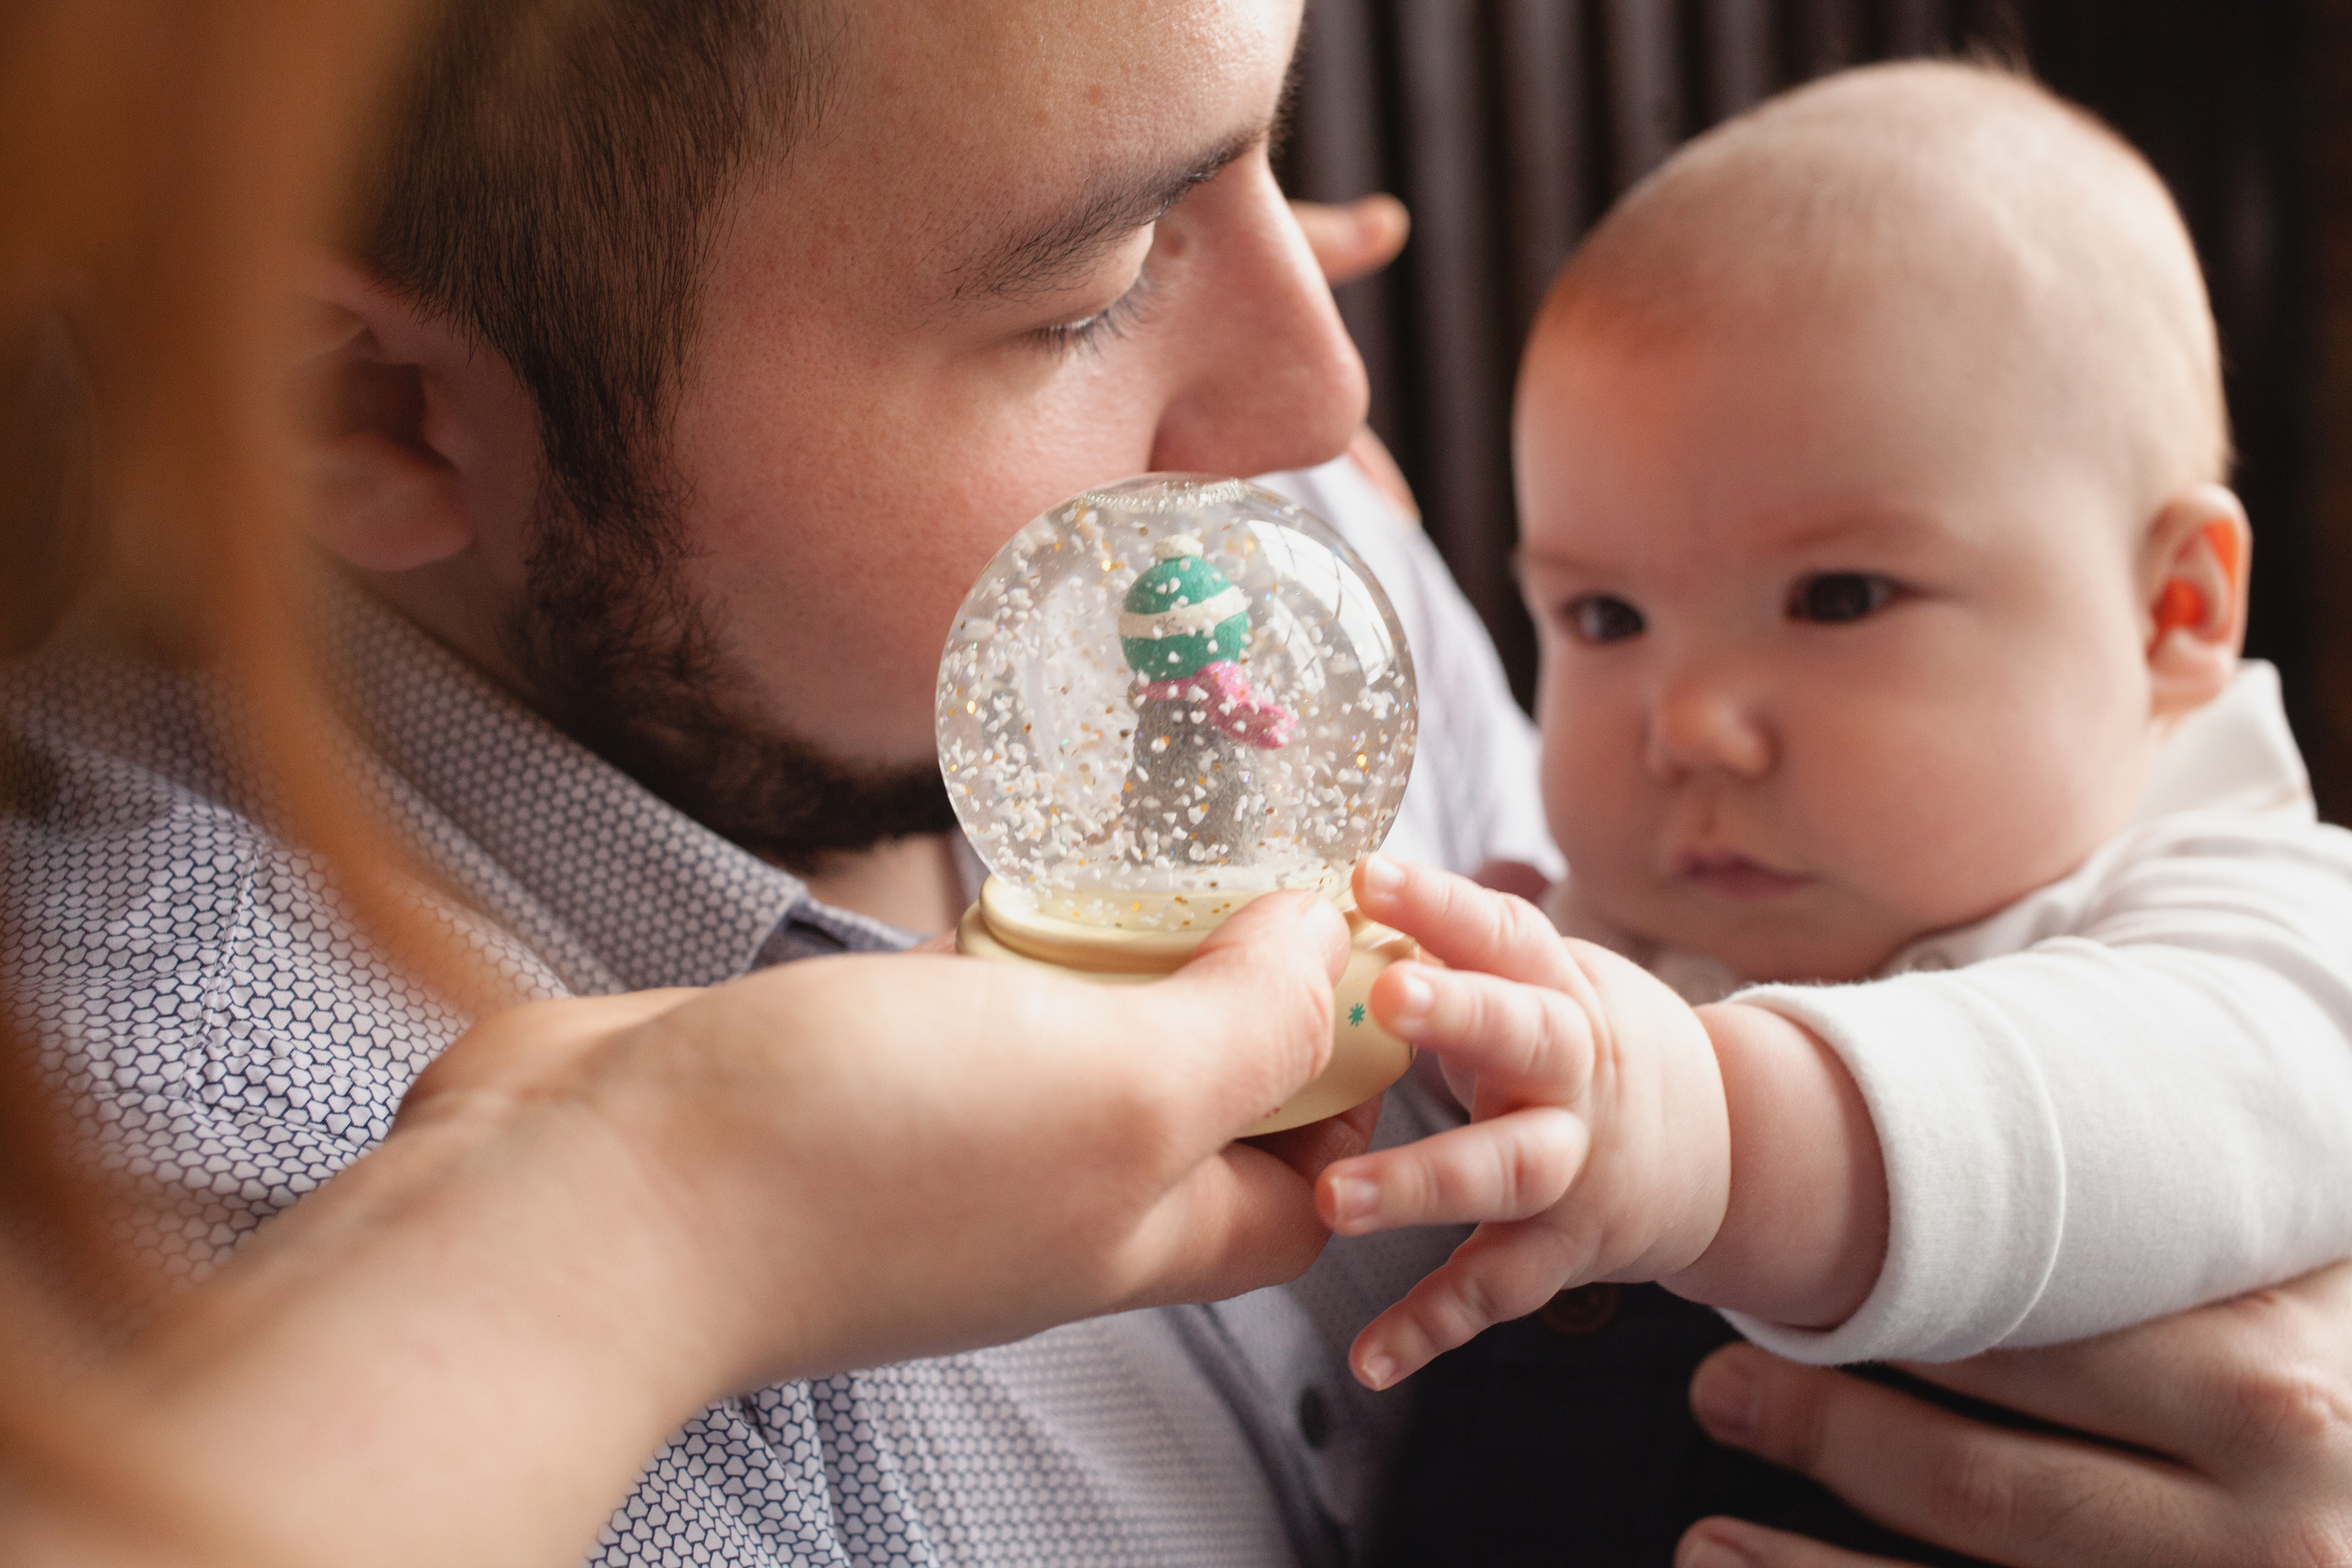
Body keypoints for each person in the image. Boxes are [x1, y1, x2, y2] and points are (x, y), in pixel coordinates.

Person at [4, 7, 2349, 1568]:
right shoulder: (220, 1240)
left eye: (1268, 158)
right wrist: (650, 1209)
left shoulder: (1226, 581)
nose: (1320, 400)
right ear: (377, 414)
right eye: (1093, 278)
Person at [1318, 60, 2352, 1564]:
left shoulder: (2268, 937)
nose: (1690, 725)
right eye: (1605, 617)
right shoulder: (1612, 930)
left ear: (2169, 612)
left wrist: (1709, 1127)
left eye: (1838, 597)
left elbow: (2114, 1113)